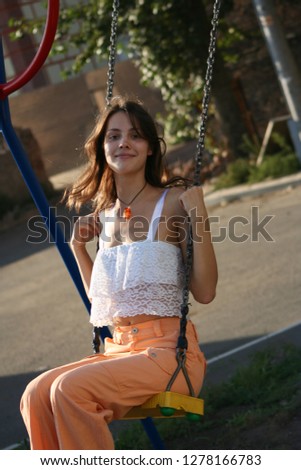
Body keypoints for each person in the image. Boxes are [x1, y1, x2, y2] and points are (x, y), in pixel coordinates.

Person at [20, 96, 218, 450]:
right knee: (35, 394)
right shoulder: (104, 216)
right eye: (113, 135)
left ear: (149, 149)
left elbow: (204, 292)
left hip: (168, 355)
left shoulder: (171, 203)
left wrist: (199, 215)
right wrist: (79, 248)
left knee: (70, 390)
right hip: (120, 350)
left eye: (135, 135)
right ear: (101, 147)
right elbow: (103, 303)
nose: (123, 142)